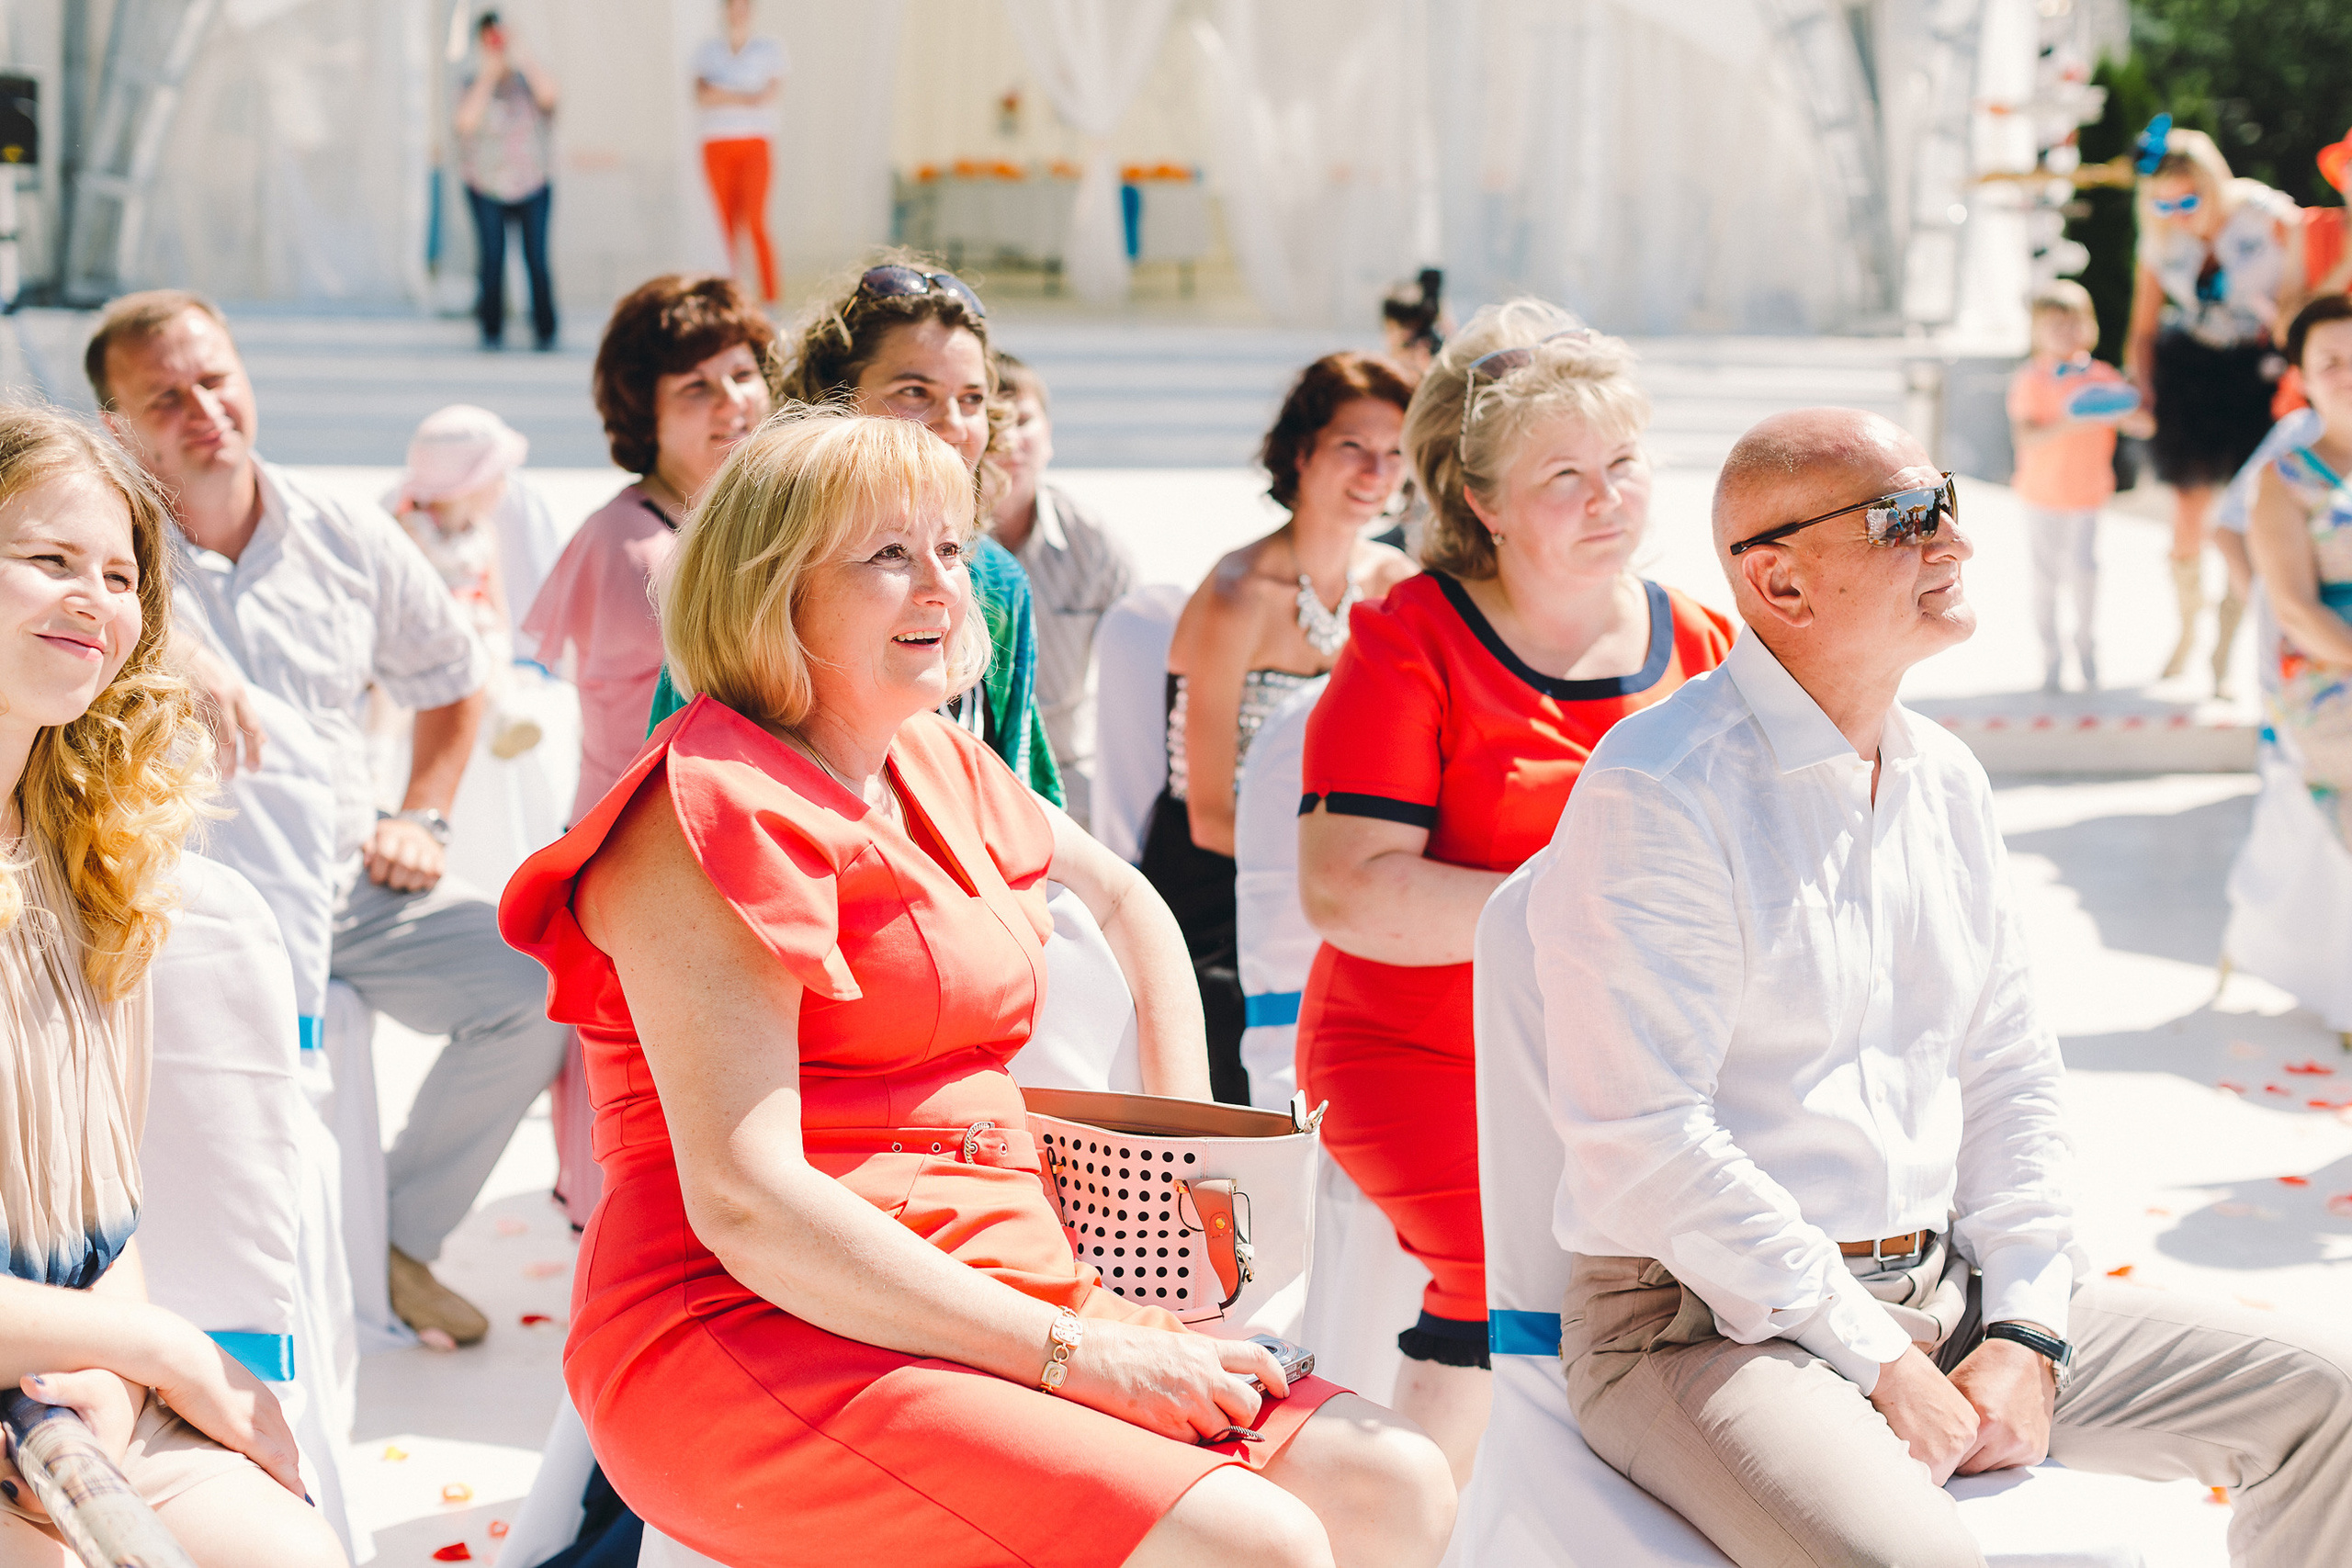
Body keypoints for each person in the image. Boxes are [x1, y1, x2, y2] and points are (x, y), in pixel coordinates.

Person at [498, 408, 1453, 1568]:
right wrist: (1076, 1351)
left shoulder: (940, 760)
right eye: (888, 555)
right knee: (1255, 1548)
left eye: (950, 547)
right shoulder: (707, 808)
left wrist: (1190, 1150)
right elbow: (747, 1200)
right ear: (768, 589)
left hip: (1005, 1275)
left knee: (1393, 1484)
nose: (944, 586)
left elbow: (1131, 900)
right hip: (757, 1317)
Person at [1535, 405, 2352, 1568]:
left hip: (1940, 1285)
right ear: (1778, 585)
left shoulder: (1948, 779)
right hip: (1703, 1324)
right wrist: (1875, 1357)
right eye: (1907, 519)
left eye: (1947, 502)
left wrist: (2024, 1322)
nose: (1954, 544)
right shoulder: (1660, 789)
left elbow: (2011, 1070)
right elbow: (1643, 1137)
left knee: (2331, 1402)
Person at [1293, 302, 1733, 1483]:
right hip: (1424, 1051)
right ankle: (1421, 1536)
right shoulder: (1411, 639)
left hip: (1637, 1064)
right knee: (1508, 1273)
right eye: (1563, 477)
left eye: (1624, 465)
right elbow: (1349, 894)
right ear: (1478, 501)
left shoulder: (1699, 641)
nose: (1607, 499)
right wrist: (1598, 920)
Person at [85, 289, 569, 1350]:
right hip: (158, 903)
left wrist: (424, 819)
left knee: (542, 985)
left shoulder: (345, 531)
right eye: (166, 397)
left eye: (216, 378)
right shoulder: (98, 551)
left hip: (342, 886)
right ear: (117, 429)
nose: (204, 408)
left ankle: (388, 1240)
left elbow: (453, 680)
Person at [0, 403, 344, 1568]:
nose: (95, 598)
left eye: (118, 571)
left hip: (64, 1392)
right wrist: (160, 1350)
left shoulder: (87, 860)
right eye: (48, 560)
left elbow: (101, 1201)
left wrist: (102, 1366)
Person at [650, 253, 1063, 805]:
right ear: (831, 402)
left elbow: (1021, 797)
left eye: (973, 399)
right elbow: (679, 780)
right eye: (915, 392)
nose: (955, 426)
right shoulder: (752, 557)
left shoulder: (993, 580)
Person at [1150, 353, 1417, 1107]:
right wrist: (1338, 874)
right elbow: (1206, 814)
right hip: (1216, 884)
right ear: (1300, 452)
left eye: (1394, 452)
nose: (1376, 469)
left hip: (1340, 863)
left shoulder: (1394, 585)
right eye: (1352, 446)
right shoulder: (1239, 593)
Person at [526, 275, 776, 826]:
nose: (733, 402)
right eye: (695, 387)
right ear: (647, 413)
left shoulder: (744, 519)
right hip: (634, 846)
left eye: (742, 374)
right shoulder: (629, 545)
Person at [2123, 119, 2297, 691]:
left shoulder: (2266, 217)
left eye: (2187, 199)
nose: (2177, 212)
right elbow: (2142, 329)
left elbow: (2310, 278)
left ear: (2213, 182)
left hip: (2258, 372)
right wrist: (2141, 389)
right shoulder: (2160, 238)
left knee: (2247, 516)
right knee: (2189, 515)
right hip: (2190, 371)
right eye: (2164, 203)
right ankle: (2186, 633)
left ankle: (2228, 649)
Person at [989, 352, 1136, 829]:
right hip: (964, 764)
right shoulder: (936, 541)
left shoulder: (1092, 546)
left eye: (1024, 420)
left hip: (1067, 776)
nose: (1010, 439)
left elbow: (1138, 678)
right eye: (994, 421)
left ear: (1050, 433)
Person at [2007, 281, 2154, 694]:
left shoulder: (2103, 378)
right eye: (2054, 324)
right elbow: (2025, 437)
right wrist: (2073, 417)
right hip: (2041, 495)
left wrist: (2134, 407)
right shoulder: (2031, 380)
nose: (2065, 333)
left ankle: (2086, 645)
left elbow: (2138, 423)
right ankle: (2051, 658)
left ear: (2089, 327)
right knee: (2045, 579)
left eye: (2073, 323)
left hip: (2088, 494)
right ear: (2037, 331)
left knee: (2086, 574)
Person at [2245, 295, 2352, 853]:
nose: (2348, 375)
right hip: (2331, 680)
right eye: (2330, 363)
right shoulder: (2284, 478)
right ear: (2303, 379)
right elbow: (2294, 610)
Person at [389, 403, 545, 760]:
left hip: (476, 628)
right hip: (426, 629)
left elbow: (494, 595)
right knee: (396, 694)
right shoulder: (412, 529)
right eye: (498, 476)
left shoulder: (483, 534)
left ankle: (507, 720)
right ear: (469, 484)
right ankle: (380, 756)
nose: (505, 487)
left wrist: (503, 639)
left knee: (490, 661)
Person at [453, 10, 560, 351]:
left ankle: (545, 329)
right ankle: (491, 329)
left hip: (533, 183)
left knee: (537, 260)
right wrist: (488, 74)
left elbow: (551, 98)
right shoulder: (470, 80)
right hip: (486, 185)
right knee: (491, 259)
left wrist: (521, 55)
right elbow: (465, 122)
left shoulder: (527, 80)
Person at [694, 0, 786, 306]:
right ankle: (728, 298)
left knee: (756, 221)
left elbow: (767, 95)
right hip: (717, 144)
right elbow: (703, 96)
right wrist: (746, 95)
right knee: (724, 227)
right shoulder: (708, 51)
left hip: (754, 145)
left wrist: (726, 93)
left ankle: (770, 297)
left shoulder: (769, 49)